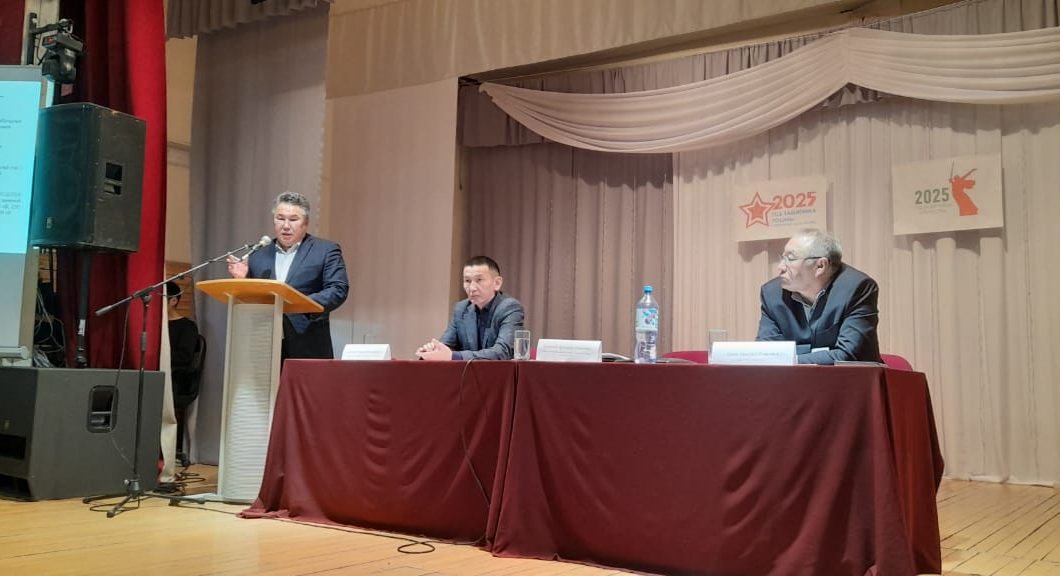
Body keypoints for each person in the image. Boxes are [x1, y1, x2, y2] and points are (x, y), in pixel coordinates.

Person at [227, 192, 349, 360]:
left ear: (306, 223)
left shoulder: (325, 250)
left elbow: (338, 289)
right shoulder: (258, 254)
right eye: (280, 218)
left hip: (307, 344)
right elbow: (254, 299)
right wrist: (242, 280)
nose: (285, 226)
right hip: (264, 345)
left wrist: (299, 303)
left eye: (293, 219)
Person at [756, 229, 880, 365]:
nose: (780, 267)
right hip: (791, 377)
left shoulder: (857, 288)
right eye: (782, 258)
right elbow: (766, 353)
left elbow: (848, 355)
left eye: (790, 259)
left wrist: (790, 360)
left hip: (851, 377)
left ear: (820, 266)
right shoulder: (772, 294)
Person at [416, 256, 524, 361]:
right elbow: (447, 345)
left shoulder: (510, 307)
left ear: (497, 283)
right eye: (467, 281)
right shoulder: (461, 309)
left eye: (479, 280)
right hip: (467, 372)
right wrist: (434, 351)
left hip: (500, 372)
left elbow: (503, 352)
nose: (472, 288)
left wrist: (454, 356)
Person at [166, 281, 200, 467]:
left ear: (173, 301)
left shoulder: (187, 327)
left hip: (177, 380)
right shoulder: (156, 325)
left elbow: (184, 357)